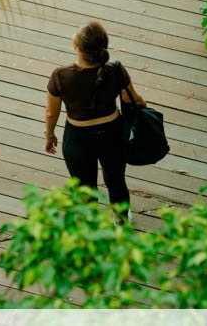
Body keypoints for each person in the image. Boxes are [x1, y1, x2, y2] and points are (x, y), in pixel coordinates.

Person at [44, 20, 146, 220]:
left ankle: (91, 226)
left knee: (84, 187)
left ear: (78, 48)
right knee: (116, 179)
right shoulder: (115, 69)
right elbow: (131, 98)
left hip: (78, 138)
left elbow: (51, 113)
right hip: (113, 134)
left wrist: (49, 135)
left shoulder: (60, 76)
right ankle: (121, 219)